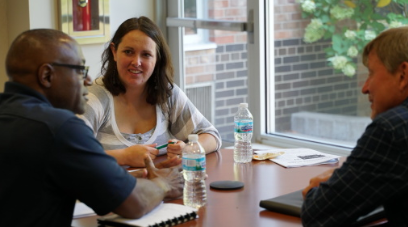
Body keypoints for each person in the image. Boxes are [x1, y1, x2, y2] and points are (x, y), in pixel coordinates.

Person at [0, 28, 184, 227]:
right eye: (80, 71)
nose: (88, 81)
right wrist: (164, 184)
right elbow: (134, 204)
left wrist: (127, 177)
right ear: (47, 75)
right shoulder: (60, 128)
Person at [79, 16, 222, 167]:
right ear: (114, 52)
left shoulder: (167, 94)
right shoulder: (94, 97)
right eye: (128, 52)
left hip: (163, 187)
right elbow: (70, 153)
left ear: (157, 59)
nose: (136, 62)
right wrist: (123, 156)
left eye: (146, 54)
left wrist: (187, 149)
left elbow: (212, 136)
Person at [301, 26, 408, 226]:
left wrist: (326, 187)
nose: (365, 87)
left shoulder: (392, 128)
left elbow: (318, 215)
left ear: (403, 75)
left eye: (372, 73)